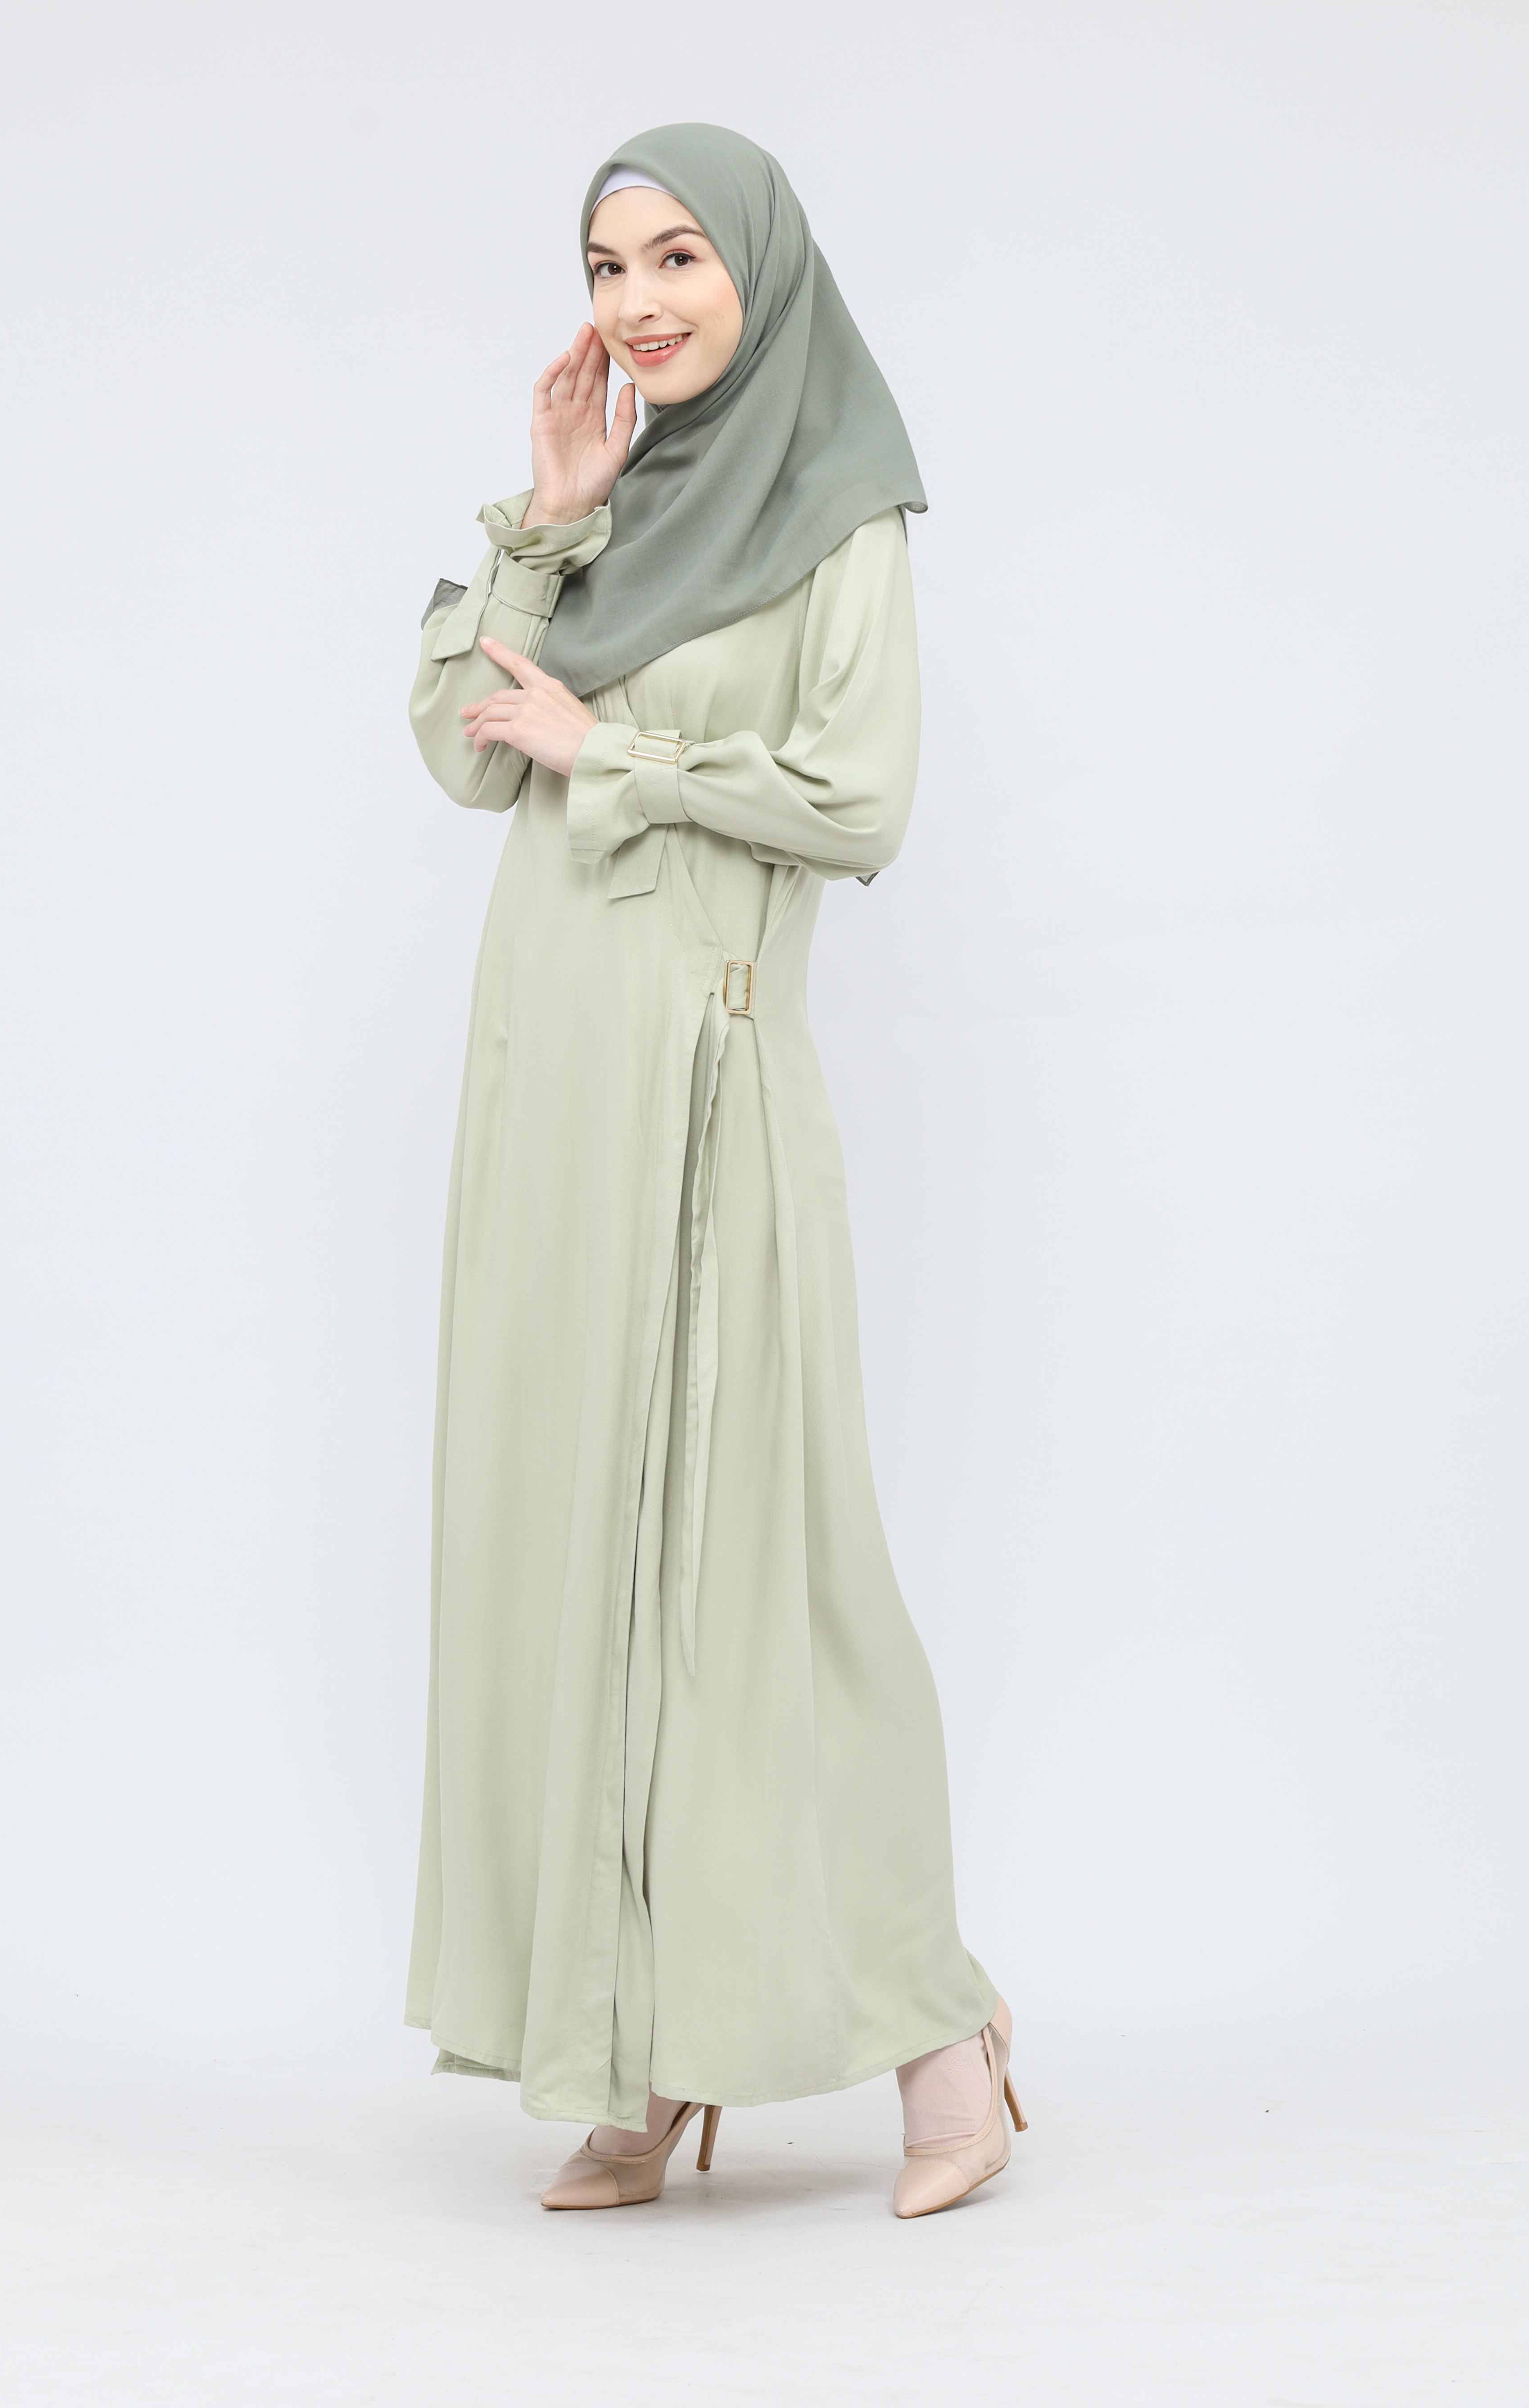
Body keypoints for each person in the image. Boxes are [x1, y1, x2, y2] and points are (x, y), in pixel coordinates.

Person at [402, 122, 1024, 2220]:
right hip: (543, 1108)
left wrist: (623, 753)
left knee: (766, 1575)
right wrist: (548, 523)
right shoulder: (603, 516)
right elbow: (453, 741)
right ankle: (627, 2049)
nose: (636, 302)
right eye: (604, 267)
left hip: (703, 1087)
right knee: (570, 1558)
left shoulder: (841, 519)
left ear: (761, 269)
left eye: (676, 256)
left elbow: (857, 801)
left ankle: (941, 2026)